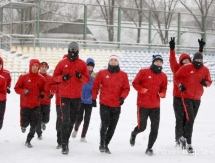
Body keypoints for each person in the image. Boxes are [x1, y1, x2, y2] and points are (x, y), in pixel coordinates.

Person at [53, 42, 90, 155]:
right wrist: (62, 77)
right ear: (68, 50)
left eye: (75, 50)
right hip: (64, 96)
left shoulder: (82, 64)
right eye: (71, 50)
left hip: (76, 97)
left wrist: (80, 77)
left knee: (72, 121)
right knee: (65, 120)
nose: (73, 52)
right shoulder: (62, 63)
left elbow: (87, 80)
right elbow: (55, 77)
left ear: (78, 51)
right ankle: (65, 144)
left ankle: (65, 139)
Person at [129, 55, 167, 156]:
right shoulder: (144, 72)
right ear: (153, 62)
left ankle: (149, 148)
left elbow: (164, 87)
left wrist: (163, 93)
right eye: (157, 61)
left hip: (155, 106)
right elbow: (135, 83)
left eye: (160, 62)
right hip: (143, 105)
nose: (158, 63)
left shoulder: (163, 76)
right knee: (142, 127)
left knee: (155, 128)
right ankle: (134, 134)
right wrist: (141, 90)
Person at [175, 51, 212, 153]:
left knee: (191, 120)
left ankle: (182, 137)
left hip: (197, 98)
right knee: (190, 119)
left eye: (200, 60)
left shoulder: (205, 70)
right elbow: (177, 76)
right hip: (187, 97)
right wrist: (180, 85)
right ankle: (189, 143)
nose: (198, 61)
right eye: (197, 59)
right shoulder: (187, 67)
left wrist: (206, 83)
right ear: (193, 59)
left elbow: (209, 81)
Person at [92, 54, 130, 154]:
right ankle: (102, 143)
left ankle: (106, 144)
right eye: (111, 60)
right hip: (104, 103)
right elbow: (96, 86)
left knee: (112, 126)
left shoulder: (123, 75)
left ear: (118, 62)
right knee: (105, 124)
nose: (113, 62)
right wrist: (94, 98)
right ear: (109, 62)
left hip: (116, 105)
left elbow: (126, 88)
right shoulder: (102, 73)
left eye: (115, 60)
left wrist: (122, 97)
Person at [14, 59, 46, 148]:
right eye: (33, 65)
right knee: (25, 123)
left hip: (36, 105)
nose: (35, 67)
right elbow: (16, 88)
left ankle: (28, 140)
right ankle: (23, 126)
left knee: (34, 124)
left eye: (36, 66)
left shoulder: (41, 78)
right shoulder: (23, 77)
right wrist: (23, 91)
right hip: (25, 105)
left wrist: (42, 94)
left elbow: (44, 90)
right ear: (30, 66)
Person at [169, 37, 192, 145]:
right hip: (178, 97)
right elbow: (172, 60)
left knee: (187, 119)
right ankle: (178, 138)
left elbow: (199, 63)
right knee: (179, 118)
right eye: (184, 59)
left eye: (188, 59)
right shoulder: (177, 68)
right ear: (181, 61)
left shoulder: (192, 70)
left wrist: (201, 50)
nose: (186, 61)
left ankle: (185, 137)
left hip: (188, 97)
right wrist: (172, 49)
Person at [72, 58, 96, 142]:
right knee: (79, 117)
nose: (89, 67)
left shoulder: (94, 76)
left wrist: (93, 98)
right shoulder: (81, 74)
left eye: (91, 66)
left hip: (89, 101)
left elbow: (96, 88)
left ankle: (83, 136)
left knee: (87, 119)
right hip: (81, 100)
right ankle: (75, 129)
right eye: (88, 66)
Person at [36, 62, 56, 140]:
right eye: (42, 67)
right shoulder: (37, 77)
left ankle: (43, 123)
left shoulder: (50, 78)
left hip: (47, 101)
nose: (43, 68)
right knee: (38, 117)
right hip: (38, 101)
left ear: (47, 68)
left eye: (45, 67)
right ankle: (39, 133)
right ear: (39, 68)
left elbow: (54, 87)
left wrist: (52, 93)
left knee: (46, 119)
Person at [0, 57, 12, 130]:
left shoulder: (6, 73)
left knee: (1, 115)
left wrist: (8, 87)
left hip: (2, 98)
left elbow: (9, 81)